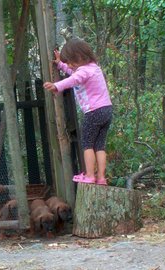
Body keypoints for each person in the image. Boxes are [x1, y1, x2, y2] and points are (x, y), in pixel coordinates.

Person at [43, 38, 113, 185]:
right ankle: (101, 177)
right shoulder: (94, 68)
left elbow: (73, 79)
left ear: (80, 56)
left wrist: (56, 86)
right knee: (99, 145)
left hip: (94, 112)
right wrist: (61, 65)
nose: (69, 65)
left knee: (87, 144)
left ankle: (89, 175)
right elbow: (73, 73)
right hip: (107, 110)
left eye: (70, 61)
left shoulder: (83, 71)